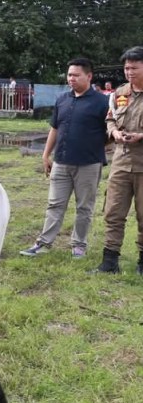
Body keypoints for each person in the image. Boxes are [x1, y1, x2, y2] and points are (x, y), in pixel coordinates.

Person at [20, 58, 108, 259]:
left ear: (89, 76)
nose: (71, 79)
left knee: (84, 207)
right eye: (69, 75)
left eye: (76, 75)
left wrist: (95, 146)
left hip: (89, 163)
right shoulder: (62, 99)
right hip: (61, 162)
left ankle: (79, 245)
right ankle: (43, 243)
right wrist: (45, 154)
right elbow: (54, 128)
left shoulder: (102, 102)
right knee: (54, 204)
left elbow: (110, 132)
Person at [92, 46, 143, 274]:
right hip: (121, 163)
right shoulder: (120, 93)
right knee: (113, 212)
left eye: (134, 67)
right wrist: (114, 132)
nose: (129, 72)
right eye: (126, 67)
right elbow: (110, 118)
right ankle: (110, 262)